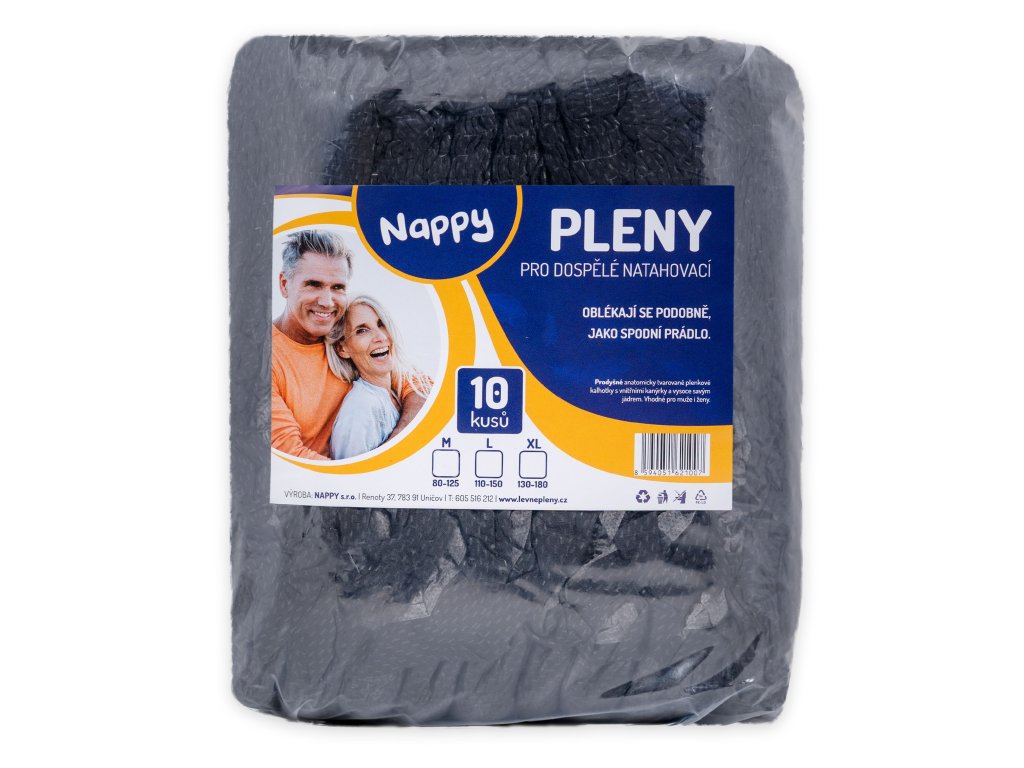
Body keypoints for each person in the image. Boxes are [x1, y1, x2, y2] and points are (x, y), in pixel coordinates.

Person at [271, 229, 426, 460]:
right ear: (284, 285)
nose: (327, 302)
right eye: (313, 284)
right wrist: (368, 475)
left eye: (337, 287)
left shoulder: (345, 337)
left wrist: (394, 446)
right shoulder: (261, 359)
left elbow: (418, 384)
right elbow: (289, 454)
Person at [326, 296, 432, 460]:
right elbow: (351, 474)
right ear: (342, 349)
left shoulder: (393, 392)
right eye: (362, 331)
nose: (381, 337)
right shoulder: (361, 409)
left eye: (381, 324)